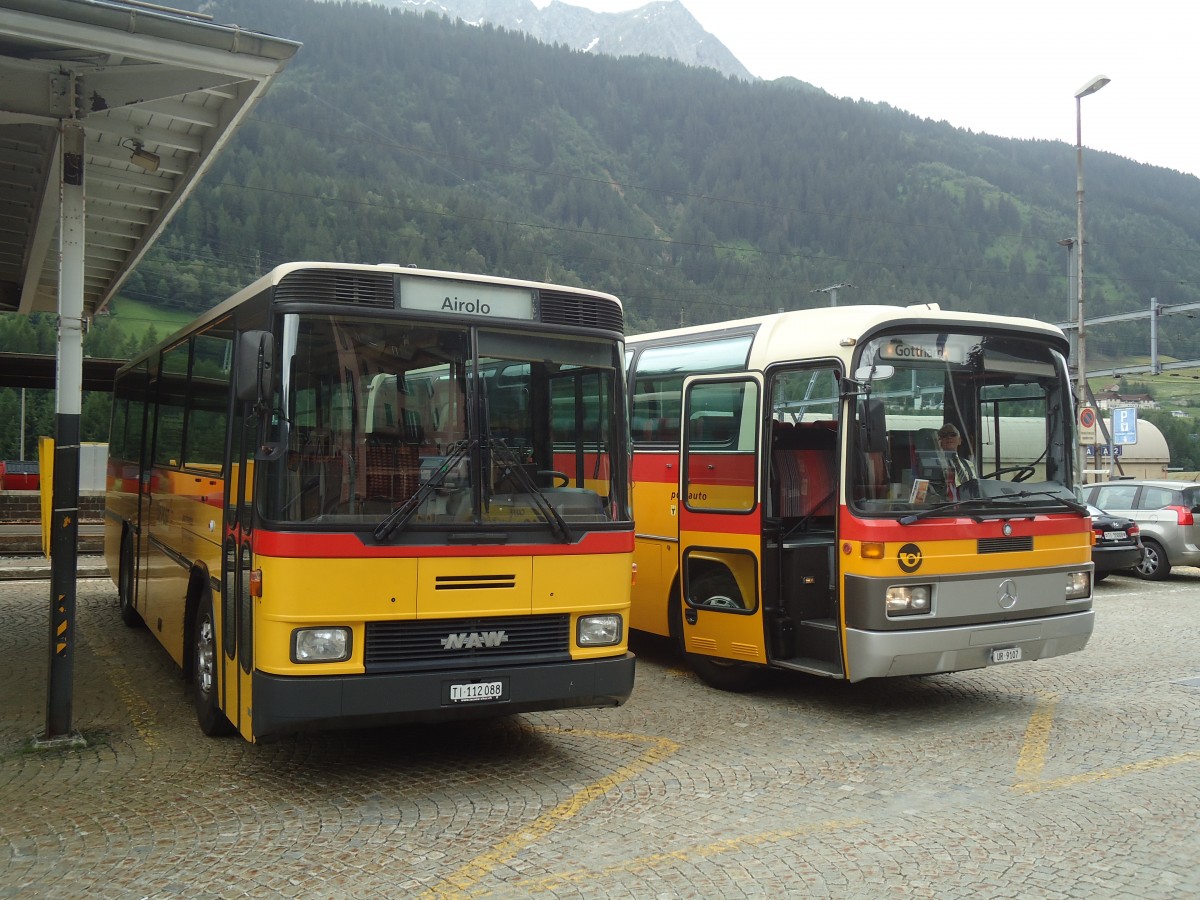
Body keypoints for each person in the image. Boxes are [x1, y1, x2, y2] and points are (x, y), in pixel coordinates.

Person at [937, 424, 976, 492]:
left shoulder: (969, 464)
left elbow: (976, 488)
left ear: (959, 440)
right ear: (939, 441)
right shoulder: (935, 464)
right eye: (944, 435)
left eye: (952, 434)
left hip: (968, 501)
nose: (949, 437)